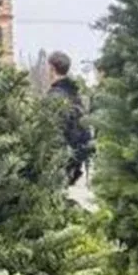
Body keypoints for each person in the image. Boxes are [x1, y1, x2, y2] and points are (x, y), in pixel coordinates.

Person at [45, 51, 93, 186]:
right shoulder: (75, 95)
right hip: (75, 158)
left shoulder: (55, 97)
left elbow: (50, 129)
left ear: (52, 68)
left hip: (59, 161)